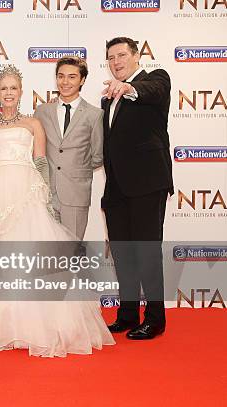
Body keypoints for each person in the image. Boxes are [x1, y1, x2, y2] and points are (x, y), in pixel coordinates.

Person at [0, 65, 115, 357]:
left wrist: (44, 194)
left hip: (26, 190)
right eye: (3, 88)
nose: (8, 93)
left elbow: (41, 161)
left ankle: (33, 325)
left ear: (21, 92)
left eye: (13, 88)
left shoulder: (34, 123)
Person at [101, 37, 172, 340]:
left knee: (146, 253)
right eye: (110, 57)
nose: (116, 62)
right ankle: (128, 314)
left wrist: (130, 89)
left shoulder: (155, 80)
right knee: (124, 254)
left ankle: (155, 319)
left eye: (121, 55)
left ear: (136, 56)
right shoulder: (108, 99)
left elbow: (152, 91)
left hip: (147, 184)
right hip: (117, 189)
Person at [33, 56, 103, 240]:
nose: (65, 82)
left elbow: (97, 156)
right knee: (46, 253)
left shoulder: (94, 115)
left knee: (71, 251)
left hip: (76, 195)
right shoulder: (41, 111)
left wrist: (75, 170)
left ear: (82, 80)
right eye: (61, 76)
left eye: (72, 77)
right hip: (45, 193)